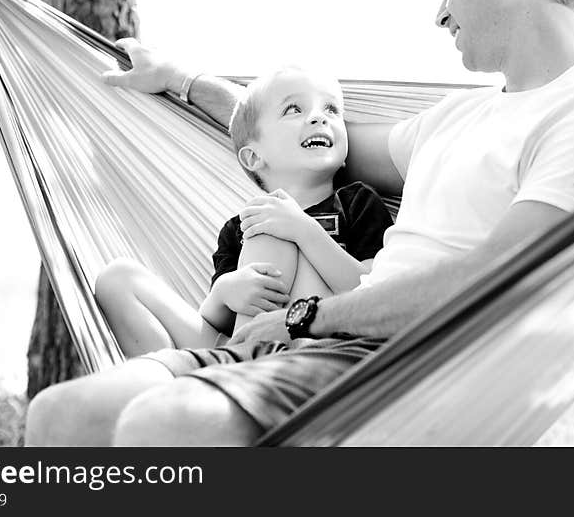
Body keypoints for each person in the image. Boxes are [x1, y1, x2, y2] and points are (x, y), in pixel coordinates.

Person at [24, 0, 574, 446]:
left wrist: (306, 318)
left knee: (161, 427)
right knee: (63, 417)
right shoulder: (459, 116)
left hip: (390, 360)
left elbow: (498, 277)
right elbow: (304, 137)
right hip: (296, 342)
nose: (440, 11)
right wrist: (183, 80)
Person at [94, 67, 393, 356]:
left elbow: (373, 294)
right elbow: (216, 320)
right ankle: (174, 379)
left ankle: (232, 373)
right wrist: (224, 291)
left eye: (331, 109)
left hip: (321, 350)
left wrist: (303, 231)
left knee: (270, 227)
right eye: (294, 110)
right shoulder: (239, 226)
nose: (319, 118)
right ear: (253, 157)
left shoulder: (358, 202)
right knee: (117, 279)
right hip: (239, 349)